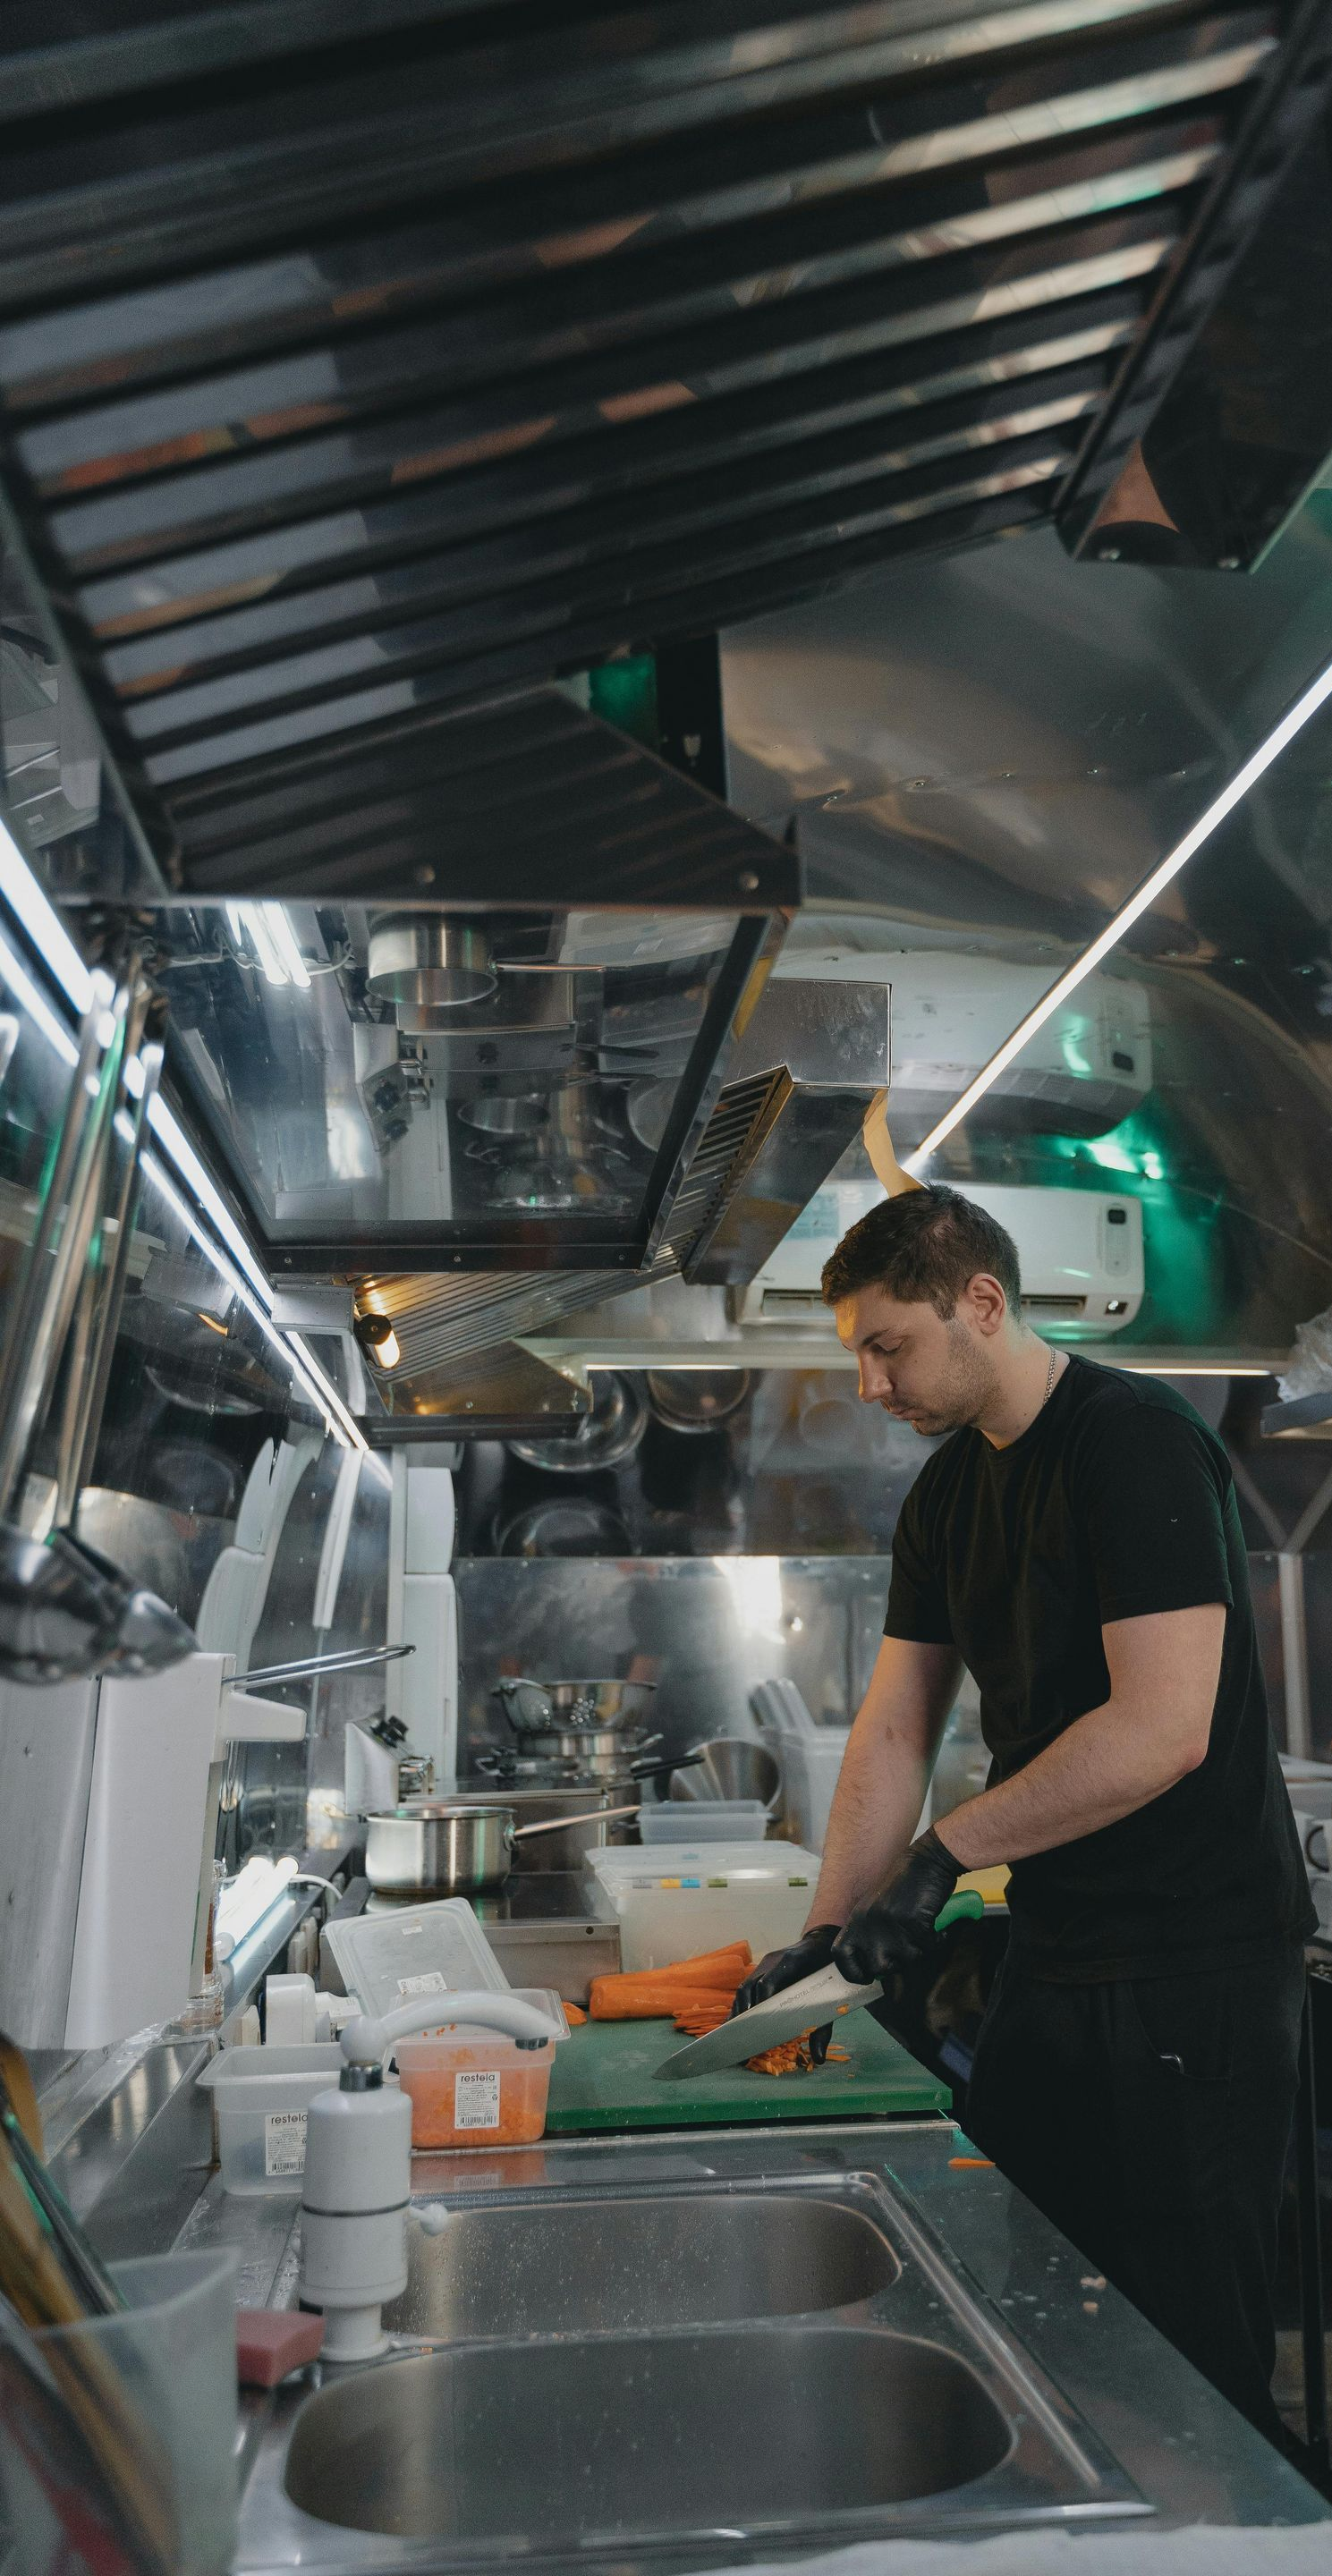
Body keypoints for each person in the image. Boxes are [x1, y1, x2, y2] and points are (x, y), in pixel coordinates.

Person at [733, 1183, 1313, 2442]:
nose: (872, 1384)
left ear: (981, 1304)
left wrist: (942, 1859)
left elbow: (1163, 1731)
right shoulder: (946, 1498)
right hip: (1058, 1957)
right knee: (1028, 2303)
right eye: (860, 1355)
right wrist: (828, 1934)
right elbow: (896, 1727)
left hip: (1189, 1970)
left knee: (1186, 2353)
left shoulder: (1135, 1443)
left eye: (889, 1345)